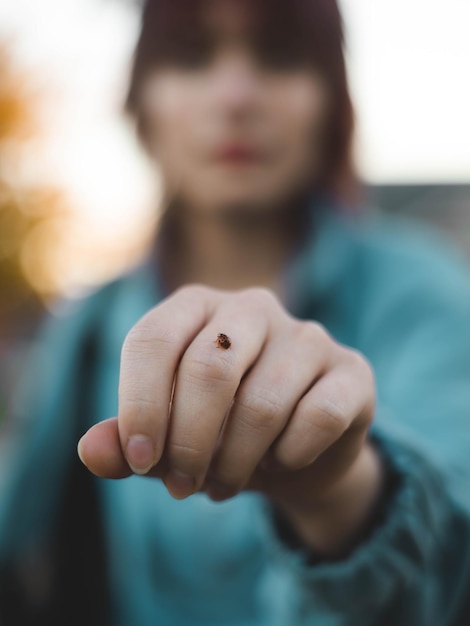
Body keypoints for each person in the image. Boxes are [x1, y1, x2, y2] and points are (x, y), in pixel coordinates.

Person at [1, 0, 470, 624]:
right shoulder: (89, 322)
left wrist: (338, 489)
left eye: (279, 58)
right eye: (192, 58)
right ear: (141, 103)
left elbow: (450, 554)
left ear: (332, 101)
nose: (235, 96)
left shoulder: (426, 292)